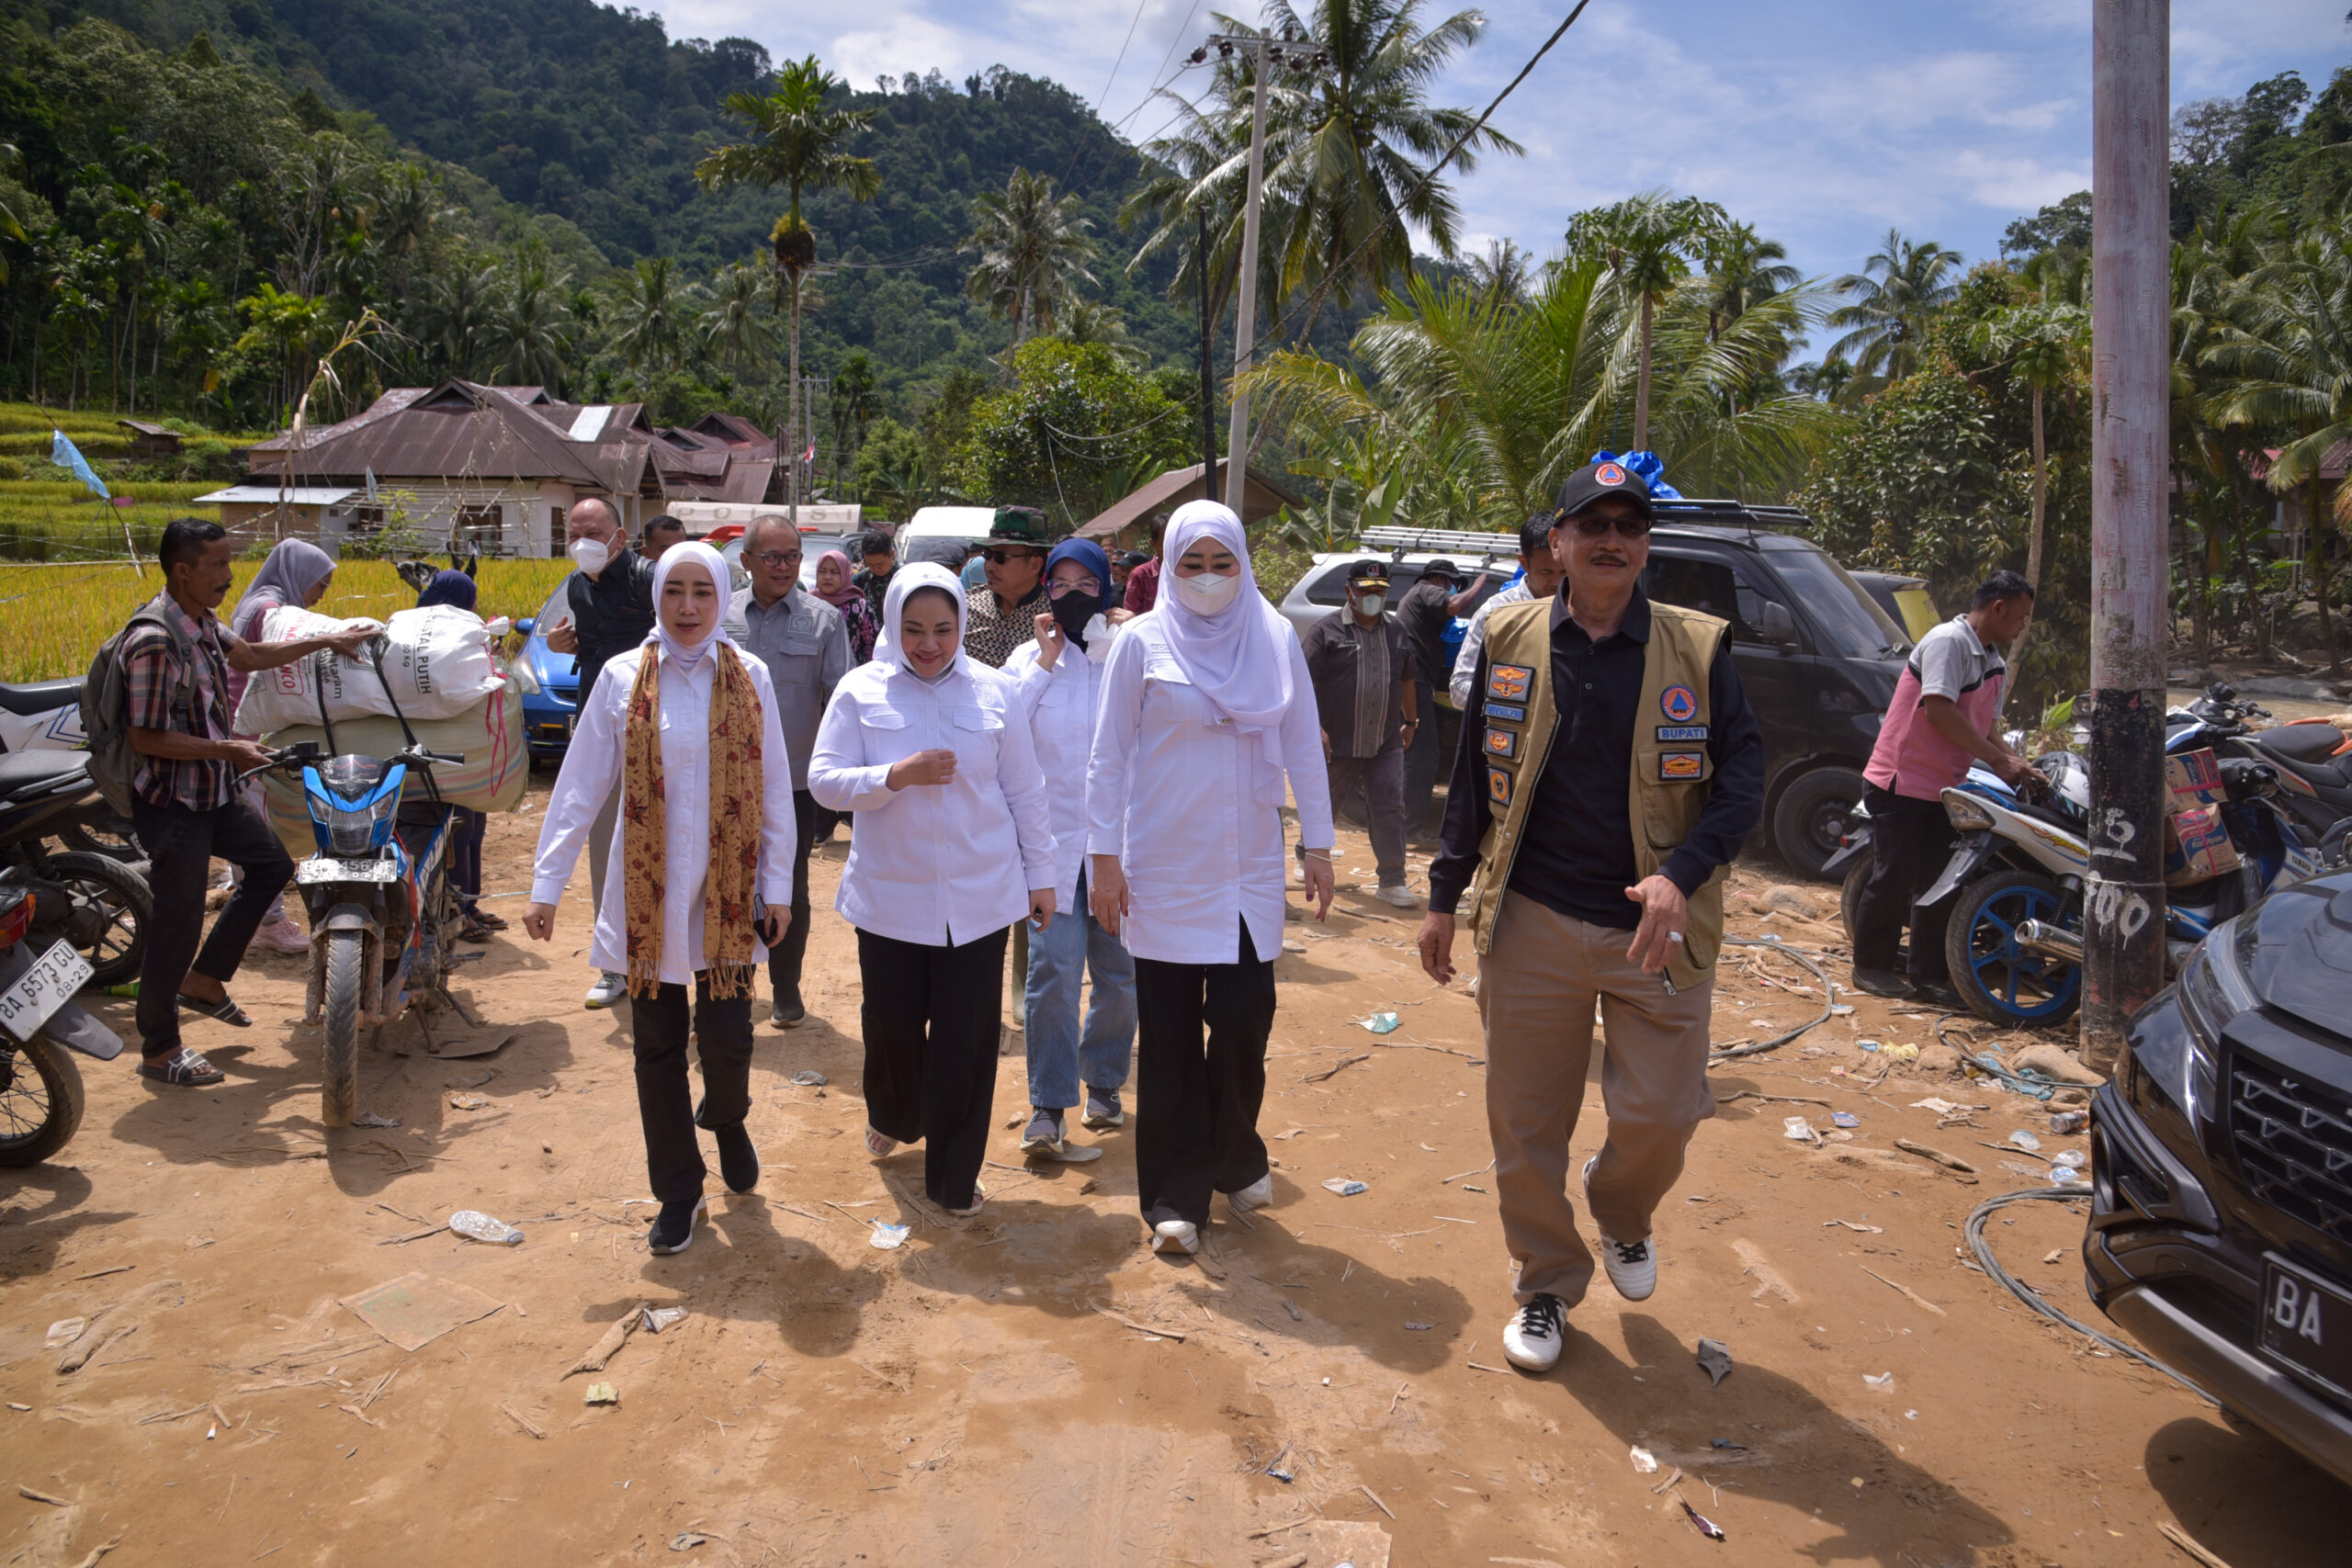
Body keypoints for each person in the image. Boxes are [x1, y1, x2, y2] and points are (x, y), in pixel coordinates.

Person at [1417, 459, 1765, 1373]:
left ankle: (1620, 1208)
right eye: (1593, 525)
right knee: (1525, 1121)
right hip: (1532, 919)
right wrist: (1443, 896)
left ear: (1645, 546)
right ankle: (1546, 1283)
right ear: (1559, 542)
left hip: (1656, 930)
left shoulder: (1698, 648)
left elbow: (1742, 785)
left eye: (1629, 527)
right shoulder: (1509, 634)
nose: (1612, 540)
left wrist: (1680, 876)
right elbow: (1473, 781)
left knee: (1664, 1113)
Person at [524, 543, 797, 1255]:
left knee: (730, 1037)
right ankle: (679, 1190)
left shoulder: (750, 674)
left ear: (721, 598)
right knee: (656, 1046)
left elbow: (773, 785)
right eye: (674, 590)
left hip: (727, 893)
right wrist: (547, 884)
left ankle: (727, 1116)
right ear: (657, 597)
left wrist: (778, 886)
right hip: (647, 896)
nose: (687, 606)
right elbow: (581, 783)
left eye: (702, 592)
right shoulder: (623, 676)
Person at [1088, 500, 1335, 1258]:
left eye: (1220, 563)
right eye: (1190, 563)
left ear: (1243, 563)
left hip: (1245, 871)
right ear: (1167, 566)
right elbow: (1108, 755)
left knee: (1241, 1023)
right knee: (1168, 1039)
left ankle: (1236, 1152)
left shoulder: (1274, 636)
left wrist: (1319, 845)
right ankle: (1175, 1194)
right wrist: (1103, 859)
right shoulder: (1141, 641)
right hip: (1162, 867)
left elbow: (1303, 744)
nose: (1205, 578)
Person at [808, 565, 1057, 1216]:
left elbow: (1025, 790)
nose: (929, 644)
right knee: (891, 1028)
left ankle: (953, 1174)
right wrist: (894, 774)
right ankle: (894, 1112)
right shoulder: (861, 690)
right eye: (914, 629)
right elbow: (825, 780)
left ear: (961, 626)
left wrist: (1043, 877)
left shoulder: (995, 691)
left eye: (943, 630)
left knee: (966, 1041)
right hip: (889, 900)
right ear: (893, 624)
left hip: (980, 899)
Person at [122, 518, 377, 1087]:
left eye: (228, 562)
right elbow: (145, 736)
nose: (228, 576)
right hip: (174, 802)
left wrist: (327, 641)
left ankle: (205, 980)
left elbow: (251, 656)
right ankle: (159, 1049)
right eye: (216, 564)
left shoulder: (202, 622)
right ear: (182, 570)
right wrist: (227, 749)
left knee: (270, 866)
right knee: (178, 921)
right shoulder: (155, 640)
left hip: (212, 791)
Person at [1002, 538, 1137, 1156]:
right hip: (1051, 852)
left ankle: (1104, 1081)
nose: (1074, 595)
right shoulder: (1027, 658)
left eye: (1088, 584)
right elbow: (1005, 731)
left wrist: (1141, 636)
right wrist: (1045, 662)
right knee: (1052, 974)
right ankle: (1049, 1105)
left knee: (1120, 974)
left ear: (1107, 588)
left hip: (1118, 849)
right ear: (1046, 590)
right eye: (1061, 584)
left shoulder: (1127, 652)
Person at [1849, 570, 2038, 1001]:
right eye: (2020, 617)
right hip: (1900, 781)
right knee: (1893, 877)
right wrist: (1997, 760)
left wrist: (2015, 762)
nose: (2022, 627)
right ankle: (1870, 966)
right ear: (1998, 608)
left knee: (1940, 881)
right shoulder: (1948, 642)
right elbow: (1938, 710)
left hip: (1943, 787)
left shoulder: (1992, 660)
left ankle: (1928, 975)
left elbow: (1985, 726)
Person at [727, 515, 853, 1028]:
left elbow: (841, 700)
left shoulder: (825, 620)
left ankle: (785, 987)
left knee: (789, 886)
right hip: (724, 782)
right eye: (772, 557)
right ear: (746, 561)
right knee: (724, 882)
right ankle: (729, 986)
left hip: (795, 783)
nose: (783, 566)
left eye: (792, 556)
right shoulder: (719, 614)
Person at [545, 497, 656, 1010]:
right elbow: (588, 651)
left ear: (620, 536)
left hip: (656, 732)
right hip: (600, 733)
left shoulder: (648, 580)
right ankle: (615, 964)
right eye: (574, 533)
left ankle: (666, 956)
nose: (582, 542)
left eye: (593, 532)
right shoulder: (576, 587)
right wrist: (562, 644)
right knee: (605, 848)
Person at [221, 537, 338, 953]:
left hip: (243, 724)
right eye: (320, 585)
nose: (320, 594)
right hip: (243, 731)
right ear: (299, 575)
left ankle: (257, 913)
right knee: (258, 830)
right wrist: (329, 640)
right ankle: (268, 922)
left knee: (250, 826)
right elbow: (256, 657)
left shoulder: (257, 603)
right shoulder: (268, 609)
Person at [1298, 559, 1419, 908]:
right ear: (1349, 592)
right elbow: (1304, 682)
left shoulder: (1396, 631)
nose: (1374, 597)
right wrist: (1314, 727)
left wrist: (1411, 722)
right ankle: (1307, 855)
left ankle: (1392, 880)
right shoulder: (1326, 631)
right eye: (1367, 591)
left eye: (1380, 591)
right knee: (1325, 802)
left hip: (1385, 738)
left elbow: (1407, 679)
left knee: (1389, 805)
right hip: (1338, 739)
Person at [415, 569, 501, 942]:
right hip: (438, 747)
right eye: (472, 601)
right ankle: (453, 910)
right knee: (458, 831)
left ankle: (467, 903)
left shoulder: (457, 634)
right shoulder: (422, 638)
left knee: (474, 825)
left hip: (464, 745)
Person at [1396, 558, 1487, 835]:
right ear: (1440, 580)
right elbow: (1454, 606)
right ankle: (1408, 828)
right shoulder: (1427, 589)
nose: (1452, 589)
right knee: (1422, 756)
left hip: (1416, 678)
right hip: (1413, 679)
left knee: (1416, 753)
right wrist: (1479, 585)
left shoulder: (1419, 595)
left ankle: (1404, 825)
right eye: (1452, 584)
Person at [1450, 513, 1569, 709]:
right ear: (1524, 563)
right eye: (1546, 572)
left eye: (1564, 571)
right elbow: (1459, 689)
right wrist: (1516, 698)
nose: (1556, 582)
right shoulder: (1495, 612)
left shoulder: (1583, 610)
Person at [962, 508, 1053, 668]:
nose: (989, 566)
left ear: (1034, 564)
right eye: (987, 555)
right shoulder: (964, 608)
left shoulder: (1055, 619)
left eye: (1000, 557)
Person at [812, 547, 880, 663]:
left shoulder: (859, 607)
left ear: (844, 574)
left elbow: (872, 648)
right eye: (822, 571)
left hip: (851, 672)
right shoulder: (808, 603)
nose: (827, 577)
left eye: (834, 572)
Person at [1122, 518, 1167, 614]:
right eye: (1165, 543)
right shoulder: (1140, 576)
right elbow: (1130, 615)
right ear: (1153, 543)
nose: (1172, 548)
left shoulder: (1188, 571)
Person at [853, 529, 897, 623]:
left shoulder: (903, 578)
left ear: (892, 555)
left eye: (880, 564)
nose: (876, 568)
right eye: (870, 564)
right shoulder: (859, 580)